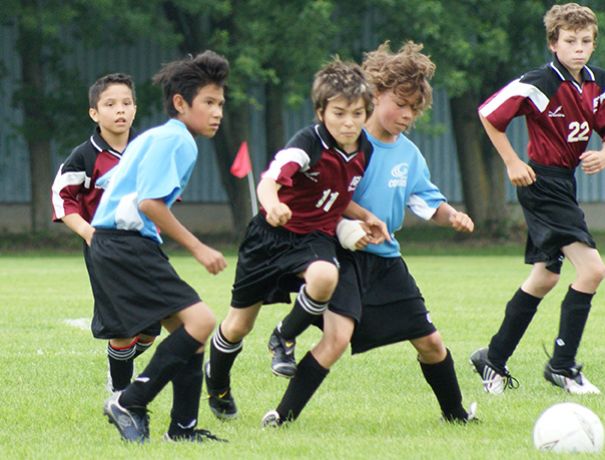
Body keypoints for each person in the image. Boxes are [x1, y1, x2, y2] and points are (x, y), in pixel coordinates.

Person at [262, 41, 476, 427]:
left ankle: (456, 415)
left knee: (431, 343)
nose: (407, 114)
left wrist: (452, 216)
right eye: (401, 103)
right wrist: (349, 225)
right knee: (336, 339)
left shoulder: (409, 154)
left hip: (387, 261)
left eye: (415, 108)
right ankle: (282, 416)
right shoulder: (349, 142)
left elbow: (425, 201)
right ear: (376, 94)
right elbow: (321, 193)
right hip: (341, 255)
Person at [204, 57, 387, 421]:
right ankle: (218, 382)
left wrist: (367, 216)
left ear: (368, 112)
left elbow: (335, 193)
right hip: (268, 238)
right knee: (239, 324)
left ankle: (284, 336)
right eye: (338, 113)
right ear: (321, 112)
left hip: (312, 239)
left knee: (325, 277)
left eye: (356, 113)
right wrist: (272, 205)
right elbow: (269, 180)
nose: (348, 122)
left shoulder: (364, 149)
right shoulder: (306, 144)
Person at [90, 51, 230, 443]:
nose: (218, 111)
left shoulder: (156, 136)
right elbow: (149, 203)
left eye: (221, 103)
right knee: (202, 322)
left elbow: (114, 183)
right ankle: (129, 400)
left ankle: (182, 429)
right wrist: (199, 248)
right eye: (209, 102)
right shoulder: (177, 140)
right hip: (124, 244)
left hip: (120, 244)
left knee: (191, 330)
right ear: (181, 103)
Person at [471, 2, 605, 395]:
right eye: (570, 41)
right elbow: (488, 114)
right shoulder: (538, 82)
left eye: (586, 41)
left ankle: (492, 358)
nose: (578, 48)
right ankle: (562, 366)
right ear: (553, 43)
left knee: (545, 277)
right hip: (541, 183)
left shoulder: (596, 83)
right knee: (593, 270)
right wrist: (512, 161)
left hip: (563, 184)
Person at [51, 73, 158, 393]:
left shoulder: (147, 150)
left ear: (135, 109)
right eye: (110, 104)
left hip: (144, 246)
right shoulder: (85, 156)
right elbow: (61, 195)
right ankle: (121, 395)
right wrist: (87, 231)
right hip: (105, 250)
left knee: (152, 328)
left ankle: (120, 363)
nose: (120, 110)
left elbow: (161, 195)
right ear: (94, 114)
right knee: (122, 327)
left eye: (126, 103)